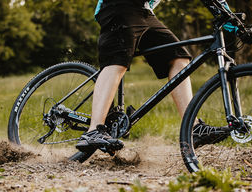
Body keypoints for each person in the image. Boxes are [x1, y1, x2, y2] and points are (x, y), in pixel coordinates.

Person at [70, 0, 229, 161]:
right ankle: (93, 131)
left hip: (144, 11)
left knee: (178, 58)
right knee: (118, 61)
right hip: (117, 6)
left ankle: (194, 128)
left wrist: (228, 16)